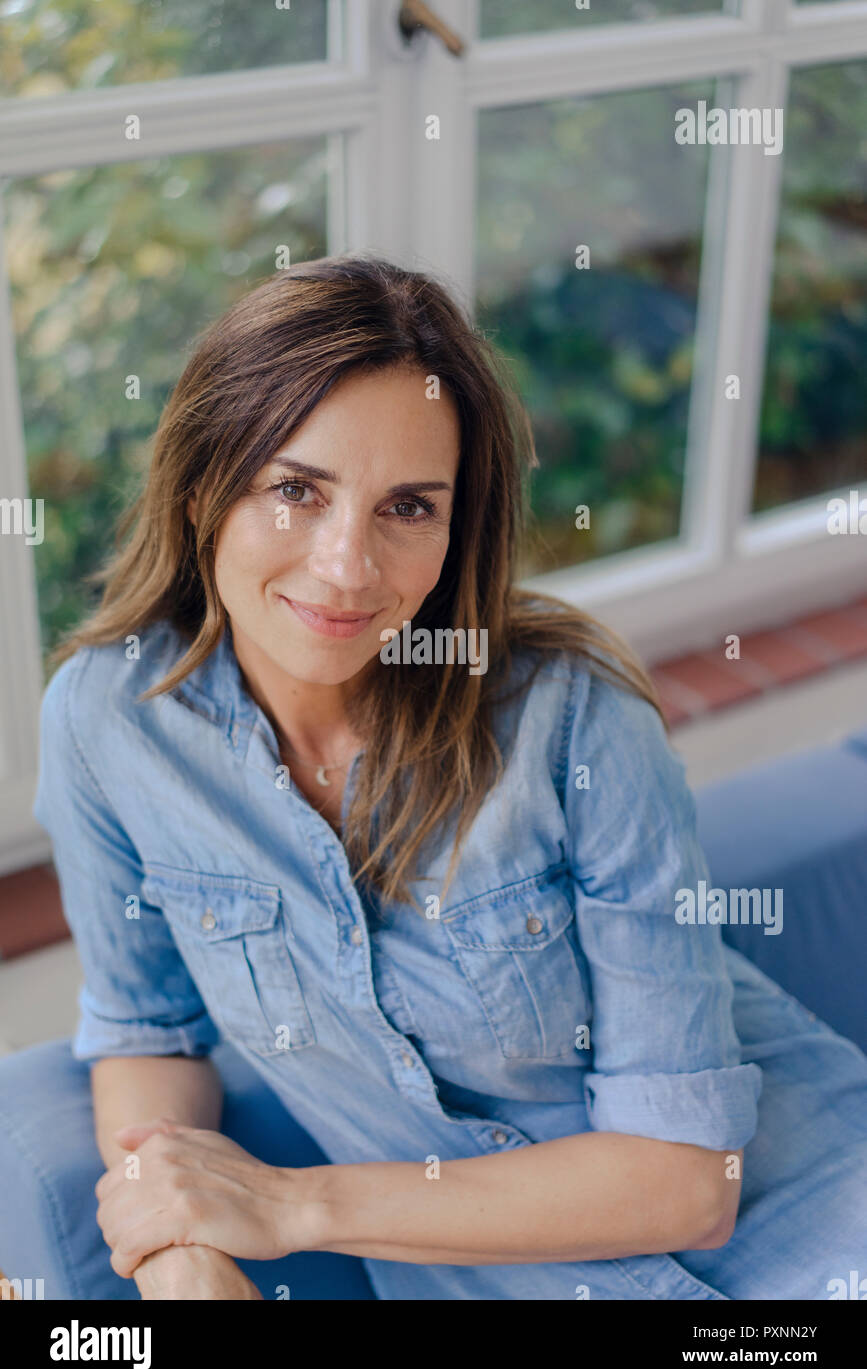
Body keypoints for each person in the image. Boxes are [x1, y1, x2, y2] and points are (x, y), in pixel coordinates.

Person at [5, 254, 866, 1300]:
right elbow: (148, 1029)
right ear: (200, 490)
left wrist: (288, 1205)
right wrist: (181, 1253)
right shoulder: (110, 723)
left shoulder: (573, 718)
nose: (346, 567)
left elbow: (689, 1180)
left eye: (408, 507)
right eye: (295, 488)